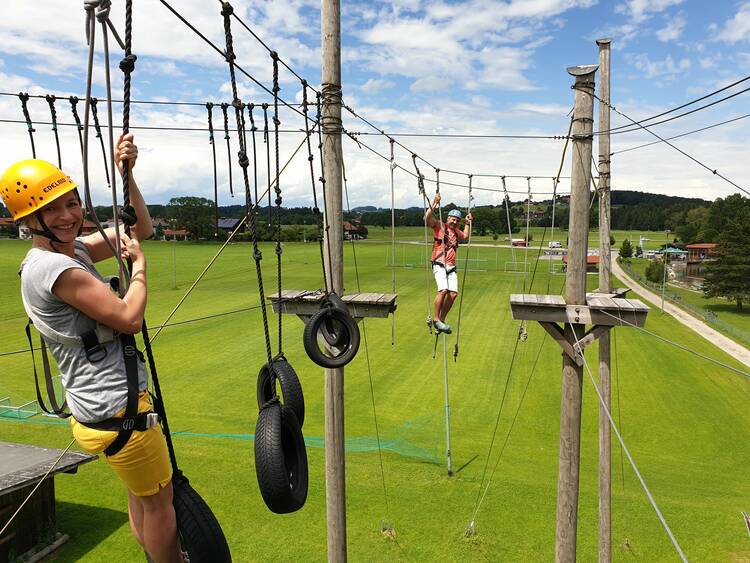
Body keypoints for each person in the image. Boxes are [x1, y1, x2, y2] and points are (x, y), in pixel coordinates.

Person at [1, 134, 183, 563]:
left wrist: (128, 175)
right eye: (51, 209)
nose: (67, 216)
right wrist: (139, 268)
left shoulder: (73, 250)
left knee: (144, 498)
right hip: (116, 410)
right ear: (28, 220)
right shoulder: (57, 268)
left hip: (103, 408)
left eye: (71, 203)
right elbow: (129, 319)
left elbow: (141, 228)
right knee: (160, 504)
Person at [424, 193, 472, 334]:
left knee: (453, 294)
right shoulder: (439, 226)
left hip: (451, 266)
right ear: (448, 218)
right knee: (443, 290)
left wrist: (468, 223)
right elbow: (426, 218)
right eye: (453, 218)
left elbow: (466, 237)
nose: (455, 221)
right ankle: (436, 318)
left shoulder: (456, 232)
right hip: (439, 263)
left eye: (457, 220)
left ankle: (442, 320)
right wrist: (434, 203)